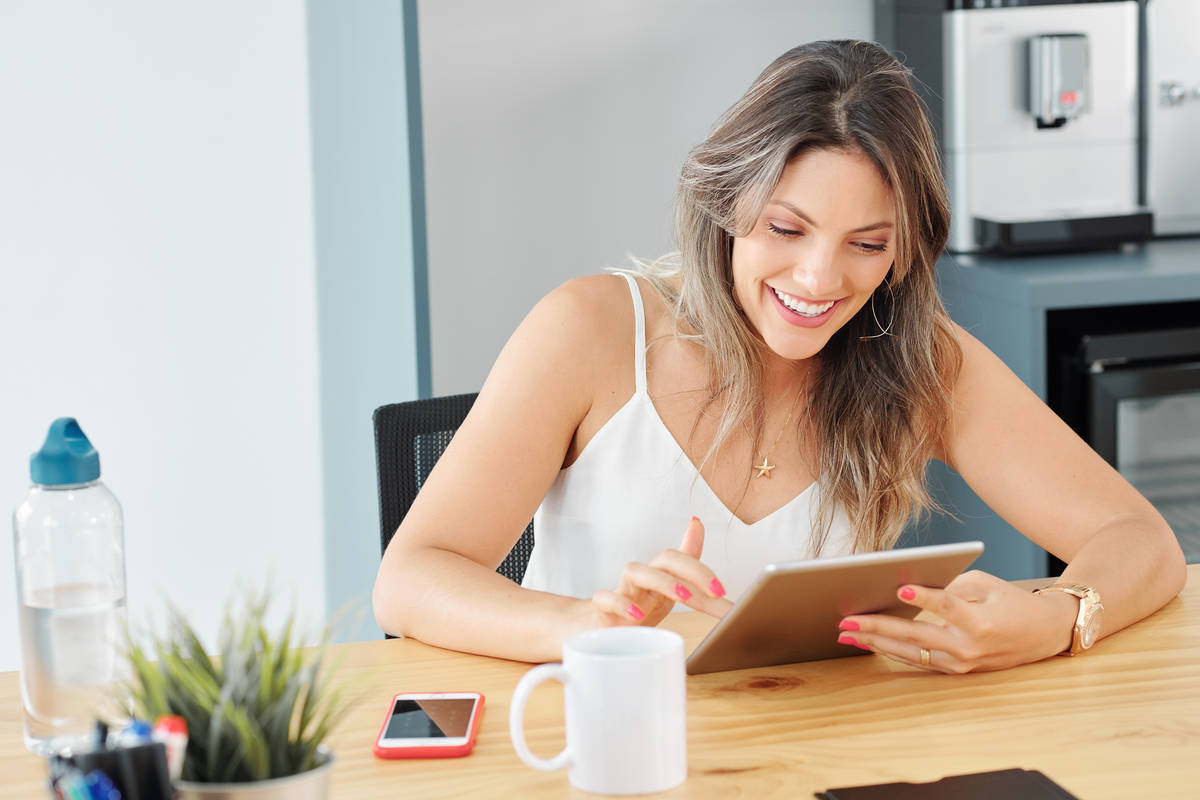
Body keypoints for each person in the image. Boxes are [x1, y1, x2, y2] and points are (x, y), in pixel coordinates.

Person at [373, 40, 1185, 672]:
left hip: (807, 752)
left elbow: (1141, 540)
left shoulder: (921, 363)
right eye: (785, 229)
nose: (819, 279)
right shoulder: (591, 328)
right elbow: (410, 579)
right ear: (728, 205)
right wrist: (585, 625)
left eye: (868, 244)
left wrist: (1053, 618)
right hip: (591, 743)